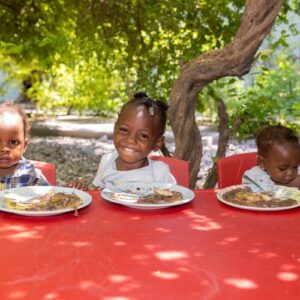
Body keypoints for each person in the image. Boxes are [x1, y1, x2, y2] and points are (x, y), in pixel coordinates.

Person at [92, 92, 176, 189]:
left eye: (143, 135)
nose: (131, 140)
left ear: (157, 143)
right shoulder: (106, 161)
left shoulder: (159, 172)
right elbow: (97, 192)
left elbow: (172, 197)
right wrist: (81, 190)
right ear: (115, 128)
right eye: (124, 130)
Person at [0, 102, 50, 190]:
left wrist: (70, 192)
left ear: (25, 146)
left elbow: (49, 199)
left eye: (13, 142)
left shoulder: (32, 175)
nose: (4, 149)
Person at [242, 125, 300, 191]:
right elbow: (251, 197)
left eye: (295, 166)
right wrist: (290, 185)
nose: (290, 172)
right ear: (262, 163)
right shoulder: (253, 177)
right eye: (283, 168)